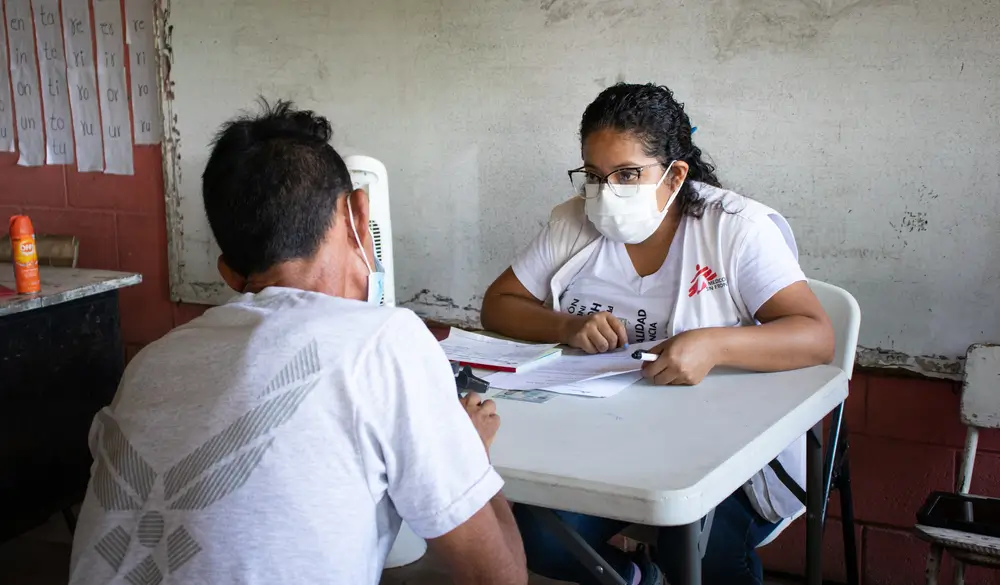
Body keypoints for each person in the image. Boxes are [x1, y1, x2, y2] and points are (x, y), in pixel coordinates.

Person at [68, 100, 527, 585]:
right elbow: (498, 576)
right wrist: (469, 455)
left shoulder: (151, 363)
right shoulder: (385, 341)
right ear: (359, 214)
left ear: (228, 273)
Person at [481, 83, 835, 585]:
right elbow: (499, 305)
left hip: (726, 444)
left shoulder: (734, 228)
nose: (605, 193)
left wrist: (715, 343)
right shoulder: (572, 222)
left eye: (628, 175)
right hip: (613, 436)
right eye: (594, 176)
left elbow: (817, 336)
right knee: (537, 535)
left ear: (674, 176)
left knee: (699, 547)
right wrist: (568, 326)